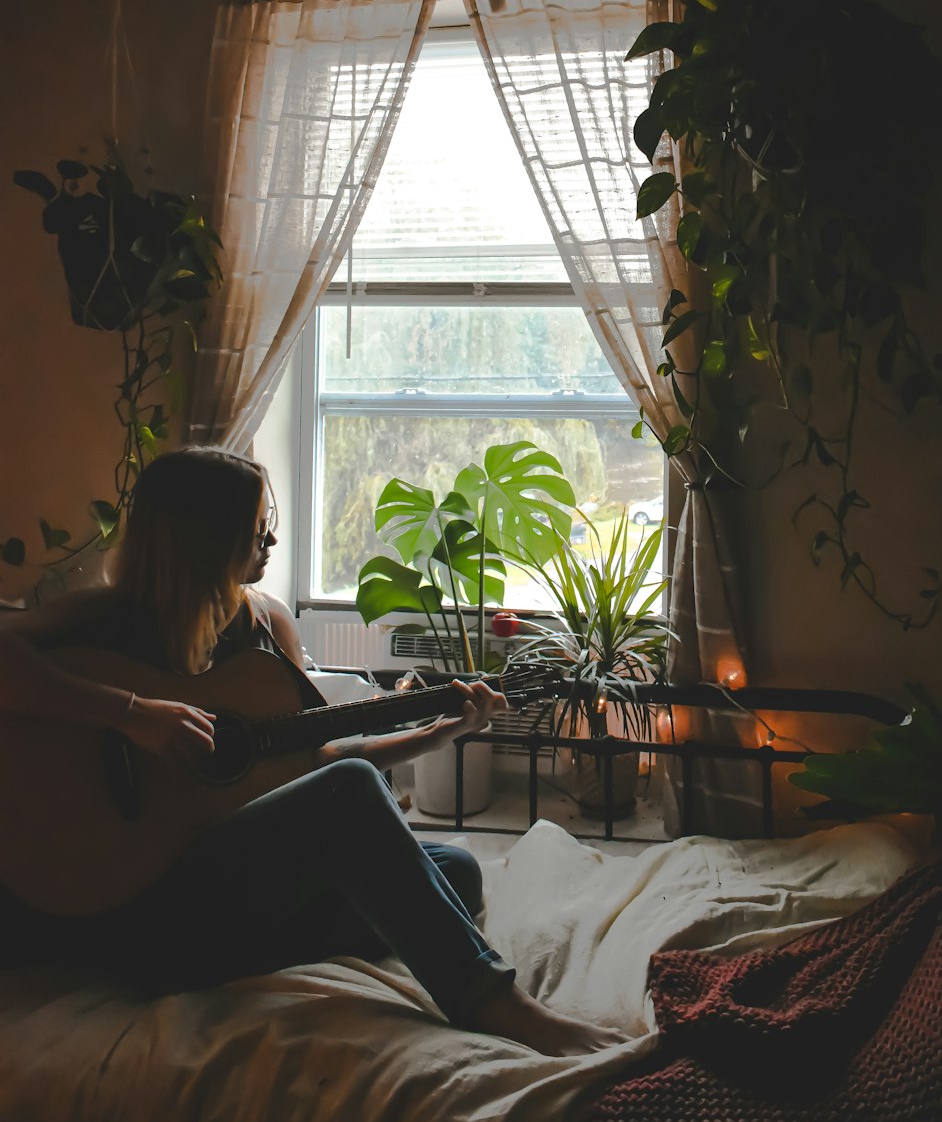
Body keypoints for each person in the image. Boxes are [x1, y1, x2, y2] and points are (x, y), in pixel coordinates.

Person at [0, 447, 625, 1057]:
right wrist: (131, 714)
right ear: (205, 538)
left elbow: (312, 761)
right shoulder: (102, 620)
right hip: (138, 898)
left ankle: (207, 964)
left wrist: (441, 733)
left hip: (221, 883)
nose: (270, 542)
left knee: (455, 872)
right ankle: (491, 1000)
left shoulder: (265, 627)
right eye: (256, 528)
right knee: (375, 832)